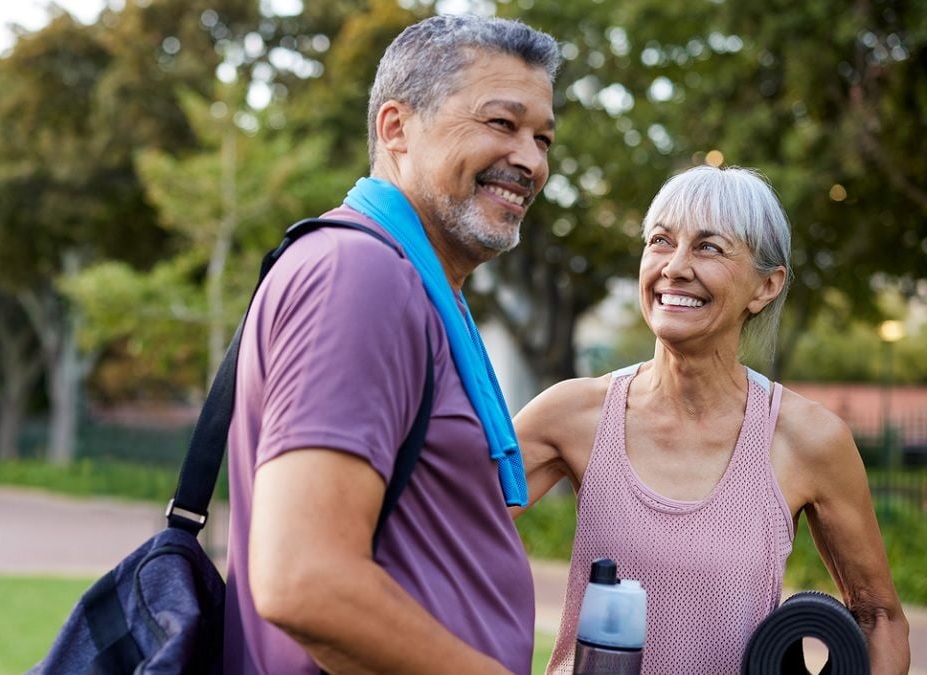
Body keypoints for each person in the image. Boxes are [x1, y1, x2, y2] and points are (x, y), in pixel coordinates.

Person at [223, 14, 560, 674]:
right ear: (395, 128)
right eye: (501, 123)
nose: (531, 160)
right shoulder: (363, 275)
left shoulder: (418, 286)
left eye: (543, 137)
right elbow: (303, 578)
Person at [513, 165, 911, 674]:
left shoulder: (806, 438)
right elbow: (439, 533)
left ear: (766, 286)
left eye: (708, 247)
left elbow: (878, 617)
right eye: (660, 241)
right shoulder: (572, 413)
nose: (675, 267)